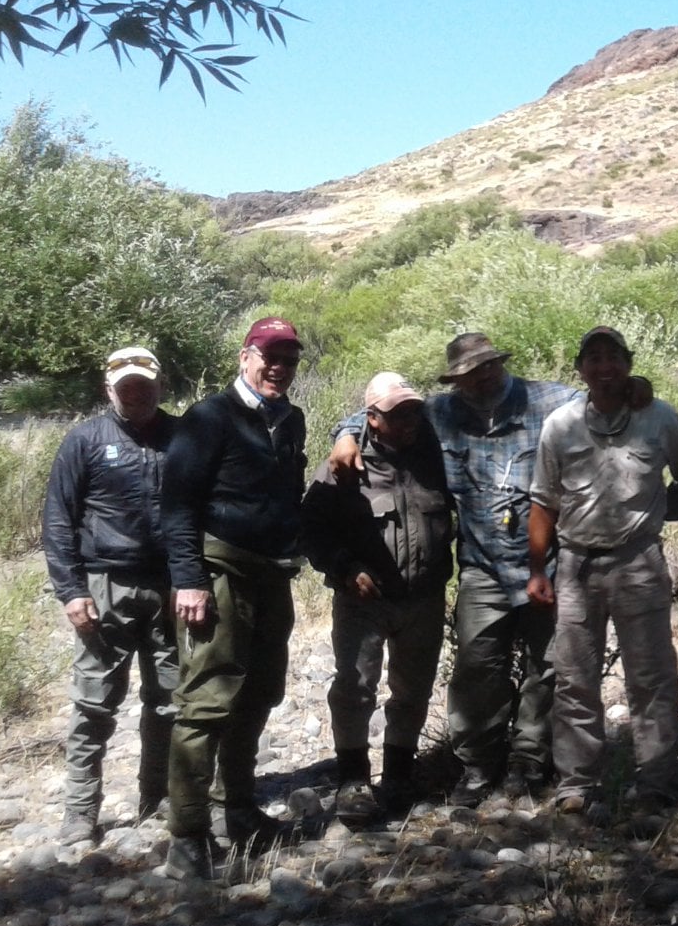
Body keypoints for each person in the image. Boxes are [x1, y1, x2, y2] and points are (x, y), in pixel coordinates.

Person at [330, 332, 579, 807]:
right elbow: (375, 416)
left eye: (487, 366)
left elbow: (604, 400)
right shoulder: (441, 413)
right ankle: (478, 766)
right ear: (455, 380)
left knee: (546, 667)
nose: (480, 378)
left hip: (547, 561)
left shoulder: (550, 401)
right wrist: (344, 434)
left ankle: (528, 761)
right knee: (476, 669)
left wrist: (637, 390)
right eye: (468, 373)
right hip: (481, 567)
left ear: (500, 363)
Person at [526, 326, 678, 811]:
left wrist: (670, 509)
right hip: (576, 565)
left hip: (639, 561)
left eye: (614, 357)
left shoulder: (659, 416)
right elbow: (543, 501)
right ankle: (577, 784)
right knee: (574, 679)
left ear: (628, 364)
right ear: (580, 369)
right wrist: (537, 570)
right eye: (594, 358)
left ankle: (656, 782)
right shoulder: (560, 424)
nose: (604, 367)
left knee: (652, 678)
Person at [159, 317, 309, 879]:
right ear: (245, 357)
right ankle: (188, 837)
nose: (279, 367)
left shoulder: (290, 418)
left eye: (289, 359)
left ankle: (237, 809)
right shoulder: (209, 417)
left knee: (261, 691)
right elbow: (177, 506)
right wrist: (189, 578)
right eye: (269, 356)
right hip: (219, 569)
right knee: (205, 701)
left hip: (272, 573)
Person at [301, 372, 454, 822]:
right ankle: (353, 781)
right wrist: (344, 568)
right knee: (354, 689)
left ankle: (399, 776)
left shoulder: (435, 455)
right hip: (362, 603)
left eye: (413, 411)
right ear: (371, 418)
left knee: (413, 689)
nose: (409, 421)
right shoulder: (343, 465)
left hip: (424, 598)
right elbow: (310, 529)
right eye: (397, 414)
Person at [42, 346, 180, 845]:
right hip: (105, 586)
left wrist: (192, 579)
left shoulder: (182, 436)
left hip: (170, 587)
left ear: (160, 386)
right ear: (109, 389)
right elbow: (58, 519)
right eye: (126, 386)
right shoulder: (85, 440)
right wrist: (71, 590)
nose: (136, 393)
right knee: (94, 703)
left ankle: (158, 796)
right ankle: (81, 810)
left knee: (169, 700)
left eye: (144, 384)